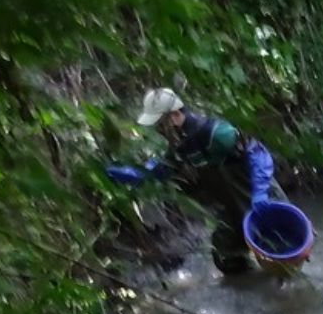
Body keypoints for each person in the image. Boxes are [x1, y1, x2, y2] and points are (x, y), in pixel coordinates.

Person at [105, 88, 282, 275]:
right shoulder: (180, 147)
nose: (157, 130)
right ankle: (255, 293)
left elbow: (258, 153)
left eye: (159, 124)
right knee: (226, 257)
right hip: (234, 207)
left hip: (261, 196)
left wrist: (261, 192)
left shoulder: (216, 133)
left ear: (174, 116)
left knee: (280, 243)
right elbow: (159, 172)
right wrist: (129, 174)